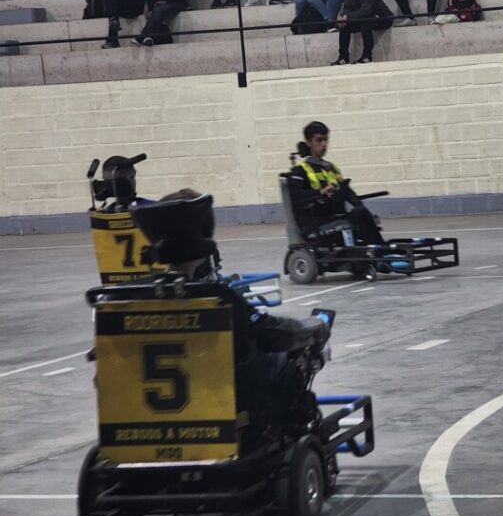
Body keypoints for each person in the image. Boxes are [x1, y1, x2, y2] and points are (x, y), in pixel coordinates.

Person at [131, 188, 332, 379]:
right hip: (222, 401)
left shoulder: (124, 299)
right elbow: (273, 334)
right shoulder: (219, 298)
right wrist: (314, 327)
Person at [286, 121, 385, 245]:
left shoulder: (332, 168)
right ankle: (382, 255)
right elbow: (295, 195)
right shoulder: (300, 171)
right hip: (314, 225)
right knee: (358, 217)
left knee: (360, 213)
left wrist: (366, 213)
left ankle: (383, 252)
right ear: (308, 142)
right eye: (319, 140)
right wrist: (321, 192)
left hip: (335, 218)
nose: (324, 144)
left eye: (326, 140)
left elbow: (349, 195)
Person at [330, 0, 392, 65]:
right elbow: (347, 8)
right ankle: (343, 57)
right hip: (363, 18)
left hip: (382, 18)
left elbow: (366, 10)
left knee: (365, 19)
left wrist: (348, 16)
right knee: (344, 25)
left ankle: (367, 55)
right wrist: (342, 16)